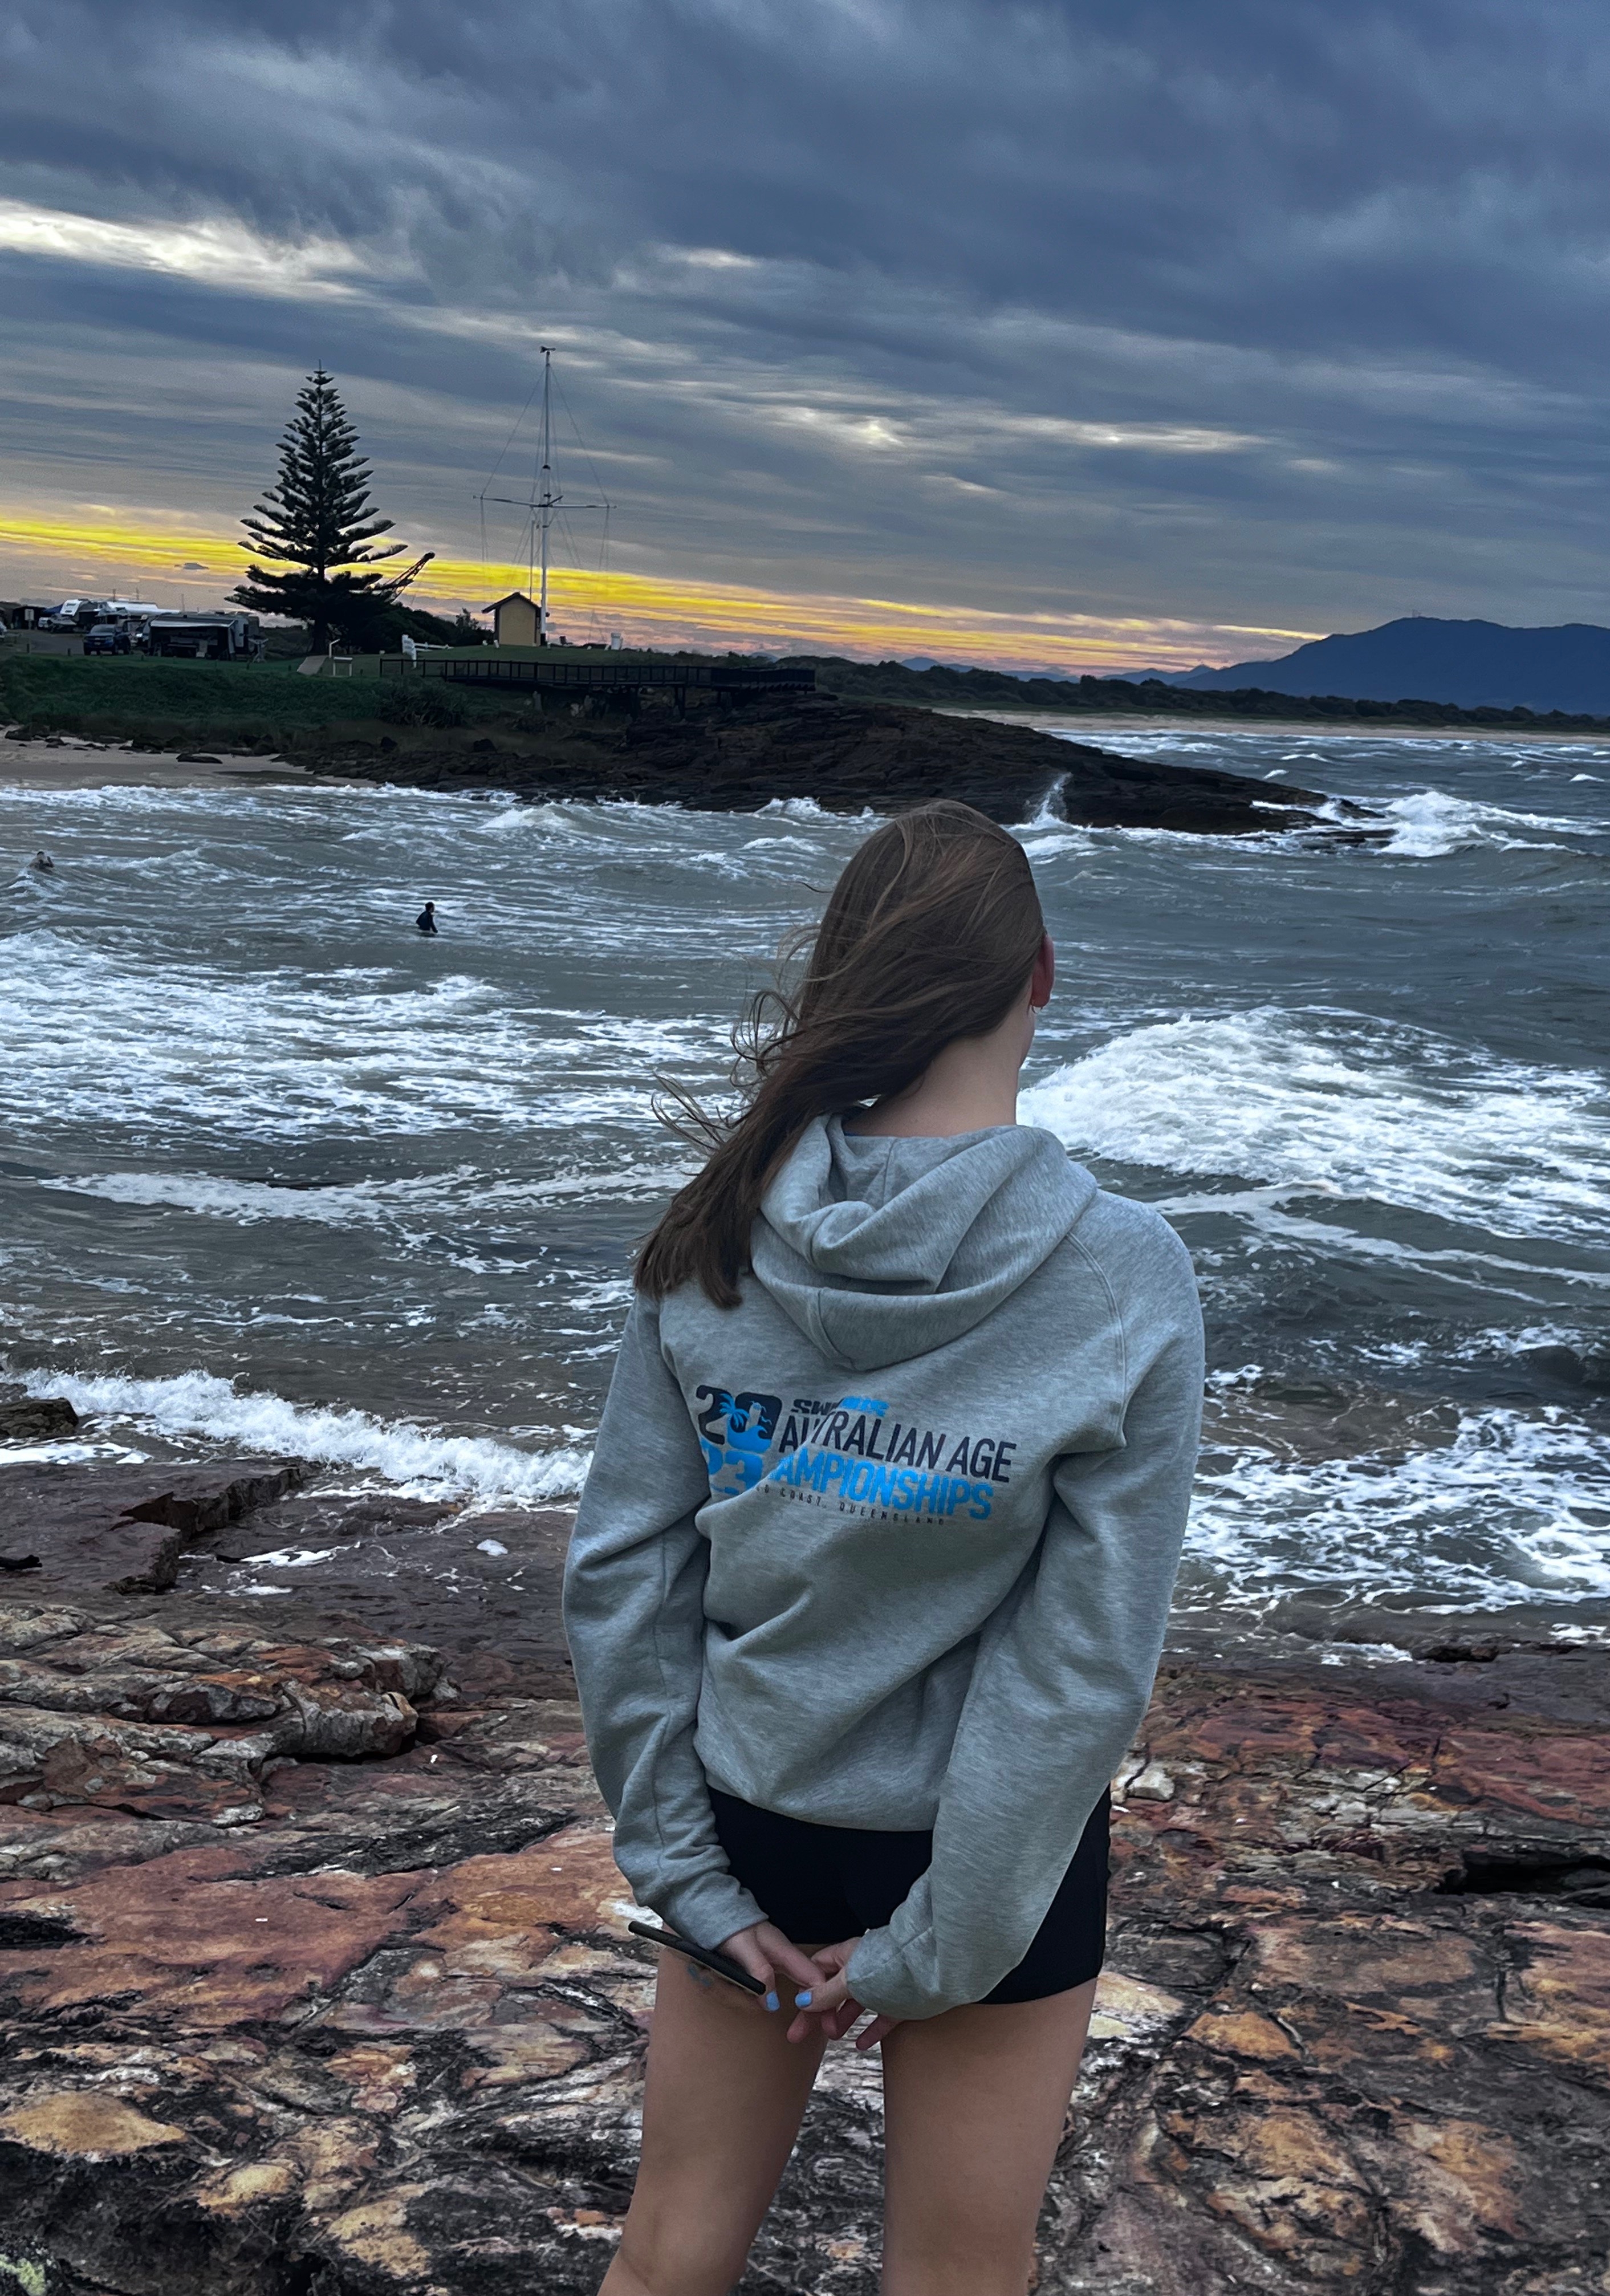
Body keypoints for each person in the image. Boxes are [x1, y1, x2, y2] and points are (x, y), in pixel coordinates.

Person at [563, 801, 1204, 2296]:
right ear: (1041, 975)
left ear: (847, 981)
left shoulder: (715, 1232)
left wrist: (690, 1874)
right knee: (959, 2277)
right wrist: (950, 1937)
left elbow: (624, 1580)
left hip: (752, 1817)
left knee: (666, 2256)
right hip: (994, 1854)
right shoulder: (1124, 1274)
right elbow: (1079, 1664)